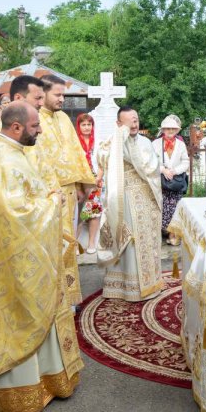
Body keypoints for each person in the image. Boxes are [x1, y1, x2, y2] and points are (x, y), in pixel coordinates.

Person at [0, 101, 83, 412]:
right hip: (13, 258)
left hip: (14, 253)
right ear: (16, 128)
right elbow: (17, 212)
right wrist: (52, 203)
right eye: (36, 126)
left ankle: (44, 380)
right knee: (20, 312)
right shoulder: (3, 161)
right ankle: (20, 388)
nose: (40, 131)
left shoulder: (9, 152)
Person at [36, 74, 96, 307]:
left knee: (69, 243)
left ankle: (69, 298)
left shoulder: (62, 119)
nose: (62, 99)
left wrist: (81, 184)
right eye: (57, 94)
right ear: (44, 93)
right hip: (50, 196)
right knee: (54, 246)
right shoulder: (35, 119)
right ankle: (54, 298)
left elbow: (75, 152)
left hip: (70, 193)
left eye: (64, 94)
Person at [99, 106, 164, 301]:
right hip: (123, 197)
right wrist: (120, 140)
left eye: (135, 120)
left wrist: (126, 146)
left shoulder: (144, 142)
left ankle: (149, 282)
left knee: (146, 237)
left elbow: (150, 167)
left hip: (145, 194)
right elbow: (102, 158)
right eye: (129, 121)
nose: (133, 125)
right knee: (127, 236)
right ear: (119, 124)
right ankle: (125, 286)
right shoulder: (112, 142)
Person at [154, 113, 190, 243]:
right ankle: (162, 232)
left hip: (175, 183)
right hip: (161, 183)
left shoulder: (180, 145)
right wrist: (163, 170)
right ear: (163, 130)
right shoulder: (156, 143)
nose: (170, 131)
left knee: (175, 208)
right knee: (162, 207)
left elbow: (186, 161)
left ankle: (173, 234)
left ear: (176, 130)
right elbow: (151, 162)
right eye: (167, 128)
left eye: (173, 129)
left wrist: (174, 171)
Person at [74, 112, 103, 258]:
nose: (87, 127)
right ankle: (74, 243)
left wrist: (99, 178)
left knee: (94, 211)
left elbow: (103, 161)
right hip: (79, 182)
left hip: (95, 181)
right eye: (83, 124)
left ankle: (91, 243)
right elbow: (73, 165)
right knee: (78, 214)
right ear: (78, 126)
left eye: (89, 124)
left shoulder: (98, 141)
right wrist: (78, 187)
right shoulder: (74, 142)